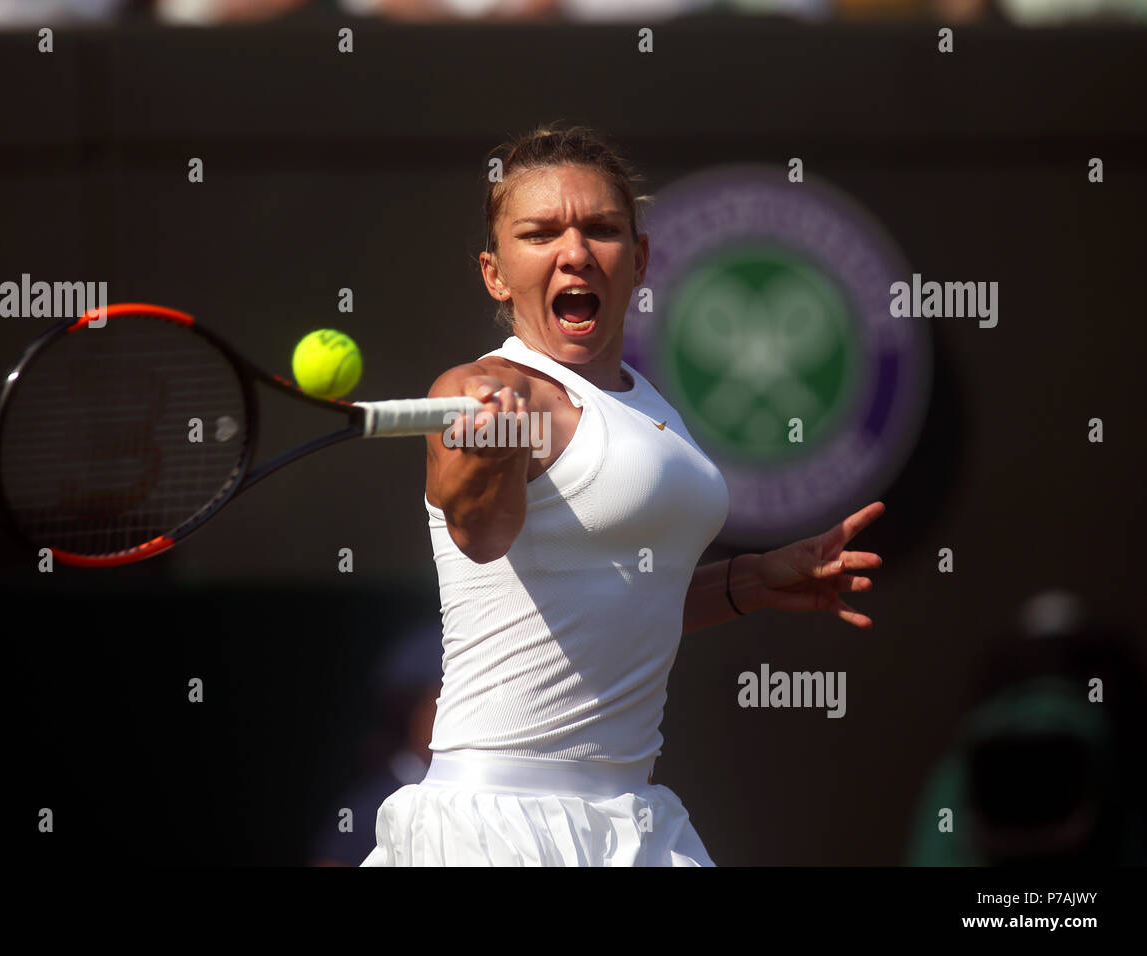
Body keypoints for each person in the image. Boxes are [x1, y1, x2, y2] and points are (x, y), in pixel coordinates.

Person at [361, 123, 884, 866]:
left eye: (601, 229)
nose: (575, 252)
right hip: (494, 826)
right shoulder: (486, 389)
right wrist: (488, 456)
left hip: (631, 817)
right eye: (540, 234)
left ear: (638, 259)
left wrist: (750, 581)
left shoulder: (646, 405)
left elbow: (619, 592)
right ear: (495, 273)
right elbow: (478, 533)